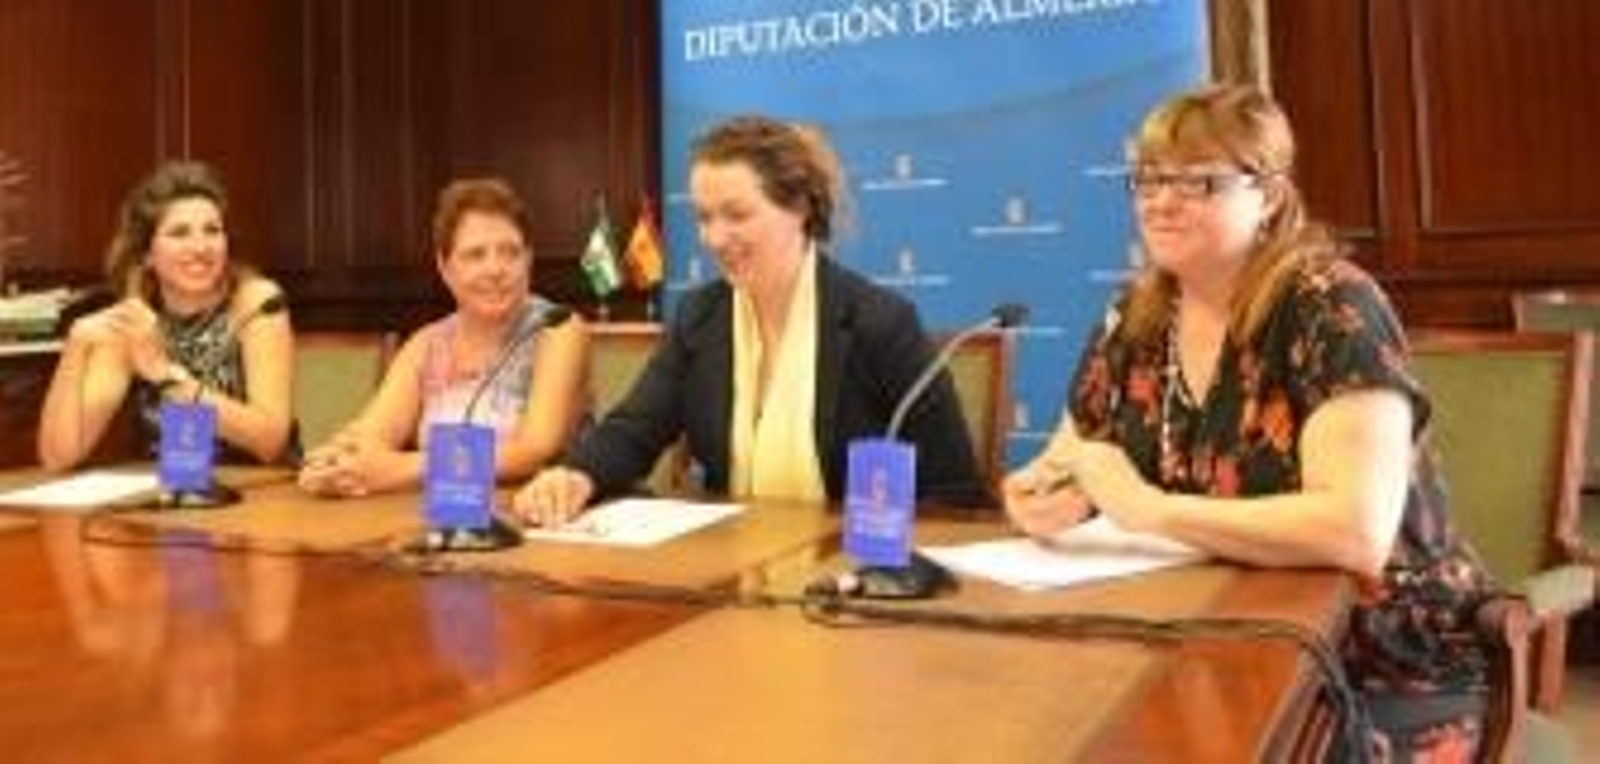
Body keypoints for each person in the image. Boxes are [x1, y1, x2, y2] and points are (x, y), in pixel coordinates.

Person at [1004, 83, 1492, 759]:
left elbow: (1355, 533)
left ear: (1268, 196)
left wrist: (1149, 509)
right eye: (1149, 178)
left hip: (1377, 667)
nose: (1160, 200)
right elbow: (1071, 460)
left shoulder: (1330, 307)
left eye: (1197, 182)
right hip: (1210, 640)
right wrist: (1044, 496)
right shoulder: (1134, 316)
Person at [513, 115, 986, 525]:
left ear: (799, 207)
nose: (715, 238)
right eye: (704, 217)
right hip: (731, 568)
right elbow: (633, 431)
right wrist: (576, 475)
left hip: (846, 574)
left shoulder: (880, 322)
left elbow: (954, 492)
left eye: (737, 215)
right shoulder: (699, 317)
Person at [297, 178, 587, 497]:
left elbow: (532, 451)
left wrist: (401, 469)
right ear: (445, 267)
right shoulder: (427, 343)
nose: (495, 269)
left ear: (529, 259)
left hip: (537, 512)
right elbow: (372, 435)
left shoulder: (558, 328)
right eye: (475, 255)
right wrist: (339, 463)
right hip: (438, 514)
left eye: (510, 252)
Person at [37, 160, 295, 470]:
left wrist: (165, 376)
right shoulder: (137, 322)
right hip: (171, 490)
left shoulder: (256, 303)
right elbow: (59, 457)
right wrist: (76, 347)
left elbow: (271, 442)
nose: (201, 248)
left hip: (260, 489)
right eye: (179, 233)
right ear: (147, 254)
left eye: (212, 231)